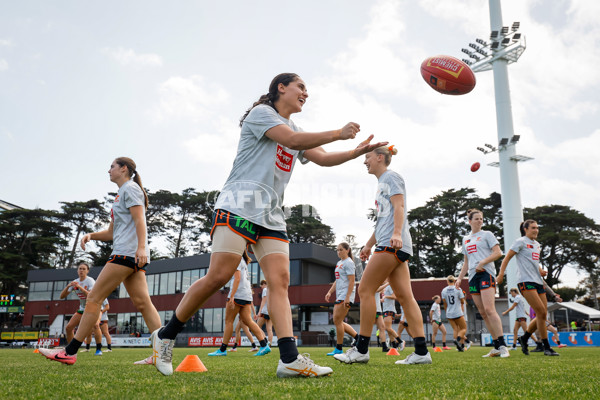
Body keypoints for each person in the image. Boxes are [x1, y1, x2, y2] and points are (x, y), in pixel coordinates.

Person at [151, 73, 386, 377]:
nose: (306, 93)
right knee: (218, 275)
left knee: (281, 281)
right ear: (281, 88)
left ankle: (288, 358)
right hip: (238, 204)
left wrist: (357, 151)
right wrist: (339, 132)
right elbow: (291, 140)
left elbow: (322, 158)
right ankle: (166, 335)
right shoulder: (262, 114)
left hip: (271, 216)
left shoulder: (295, 128)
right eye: (301, 87)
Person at [39, 157, 164, 372]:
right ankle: (162, 354)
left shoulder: (130, 189)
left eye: (112, 167)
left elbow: (140, 219)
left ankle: (69, 352)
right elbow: (111, 233)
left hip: (126, 255)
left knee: (94, 298)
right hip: (131, 256)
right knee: (143, 303)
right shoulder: (121, 194)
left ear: (124, 169)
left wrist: (142, 247)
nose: (108, 171)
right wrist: (91, 236)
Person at [334, 145, 431, 366]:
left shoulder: (391, 177)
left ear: (380, 158)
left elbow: (400, 206)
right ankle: (422, 352)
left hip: (392, 243)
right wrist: (368, 245)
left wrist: (396, 233)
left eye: (367, 157)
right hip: (394, 244)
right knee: (406, 297)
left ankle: (361, 349)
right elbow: (382, 221)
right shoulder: (381, 184)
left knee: (365, 290)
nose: (364, 161)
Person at [498, 219, 559, 356]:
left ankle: (524, 338)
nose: (536, 230)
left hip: (538, 281)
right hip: (525, 281)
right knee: (541, 312)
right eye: (533, 228)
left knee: (542, 314)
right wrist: (501, 274)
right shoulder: (520, 242)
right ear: (525, 229)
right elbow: (506, 258)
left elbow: (533, 262)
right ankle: (546, 347)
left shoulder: (537, 245)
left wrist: (540, 270)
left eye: (537, 227)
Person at [456, 208, 508, 358]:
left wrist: (483, 262)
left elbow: (498, 253)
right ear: (469, 221)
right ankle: (496, 346)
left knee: (489, 309)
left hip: (486, 274)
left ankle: (503, 346)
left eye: (481, 218)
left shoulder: (487, 235)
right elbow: (466, 261)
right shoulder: (466, 239)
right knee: (483, 313)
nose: (480, 221)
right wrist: (460, 277)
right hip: (473, 277)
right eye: (476, 218)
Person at [209, 252, 270, 357]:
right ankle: (264, 345)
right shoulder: (242, 261)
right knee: (248, 321)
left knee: (228, 321)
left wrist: (232, 296)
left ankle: (222, 349)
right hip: (246, 295)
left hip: (238, 295)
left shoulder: (236, 260)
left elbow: (237, 278)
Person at [325, 242, 358, 356]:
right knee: (339, 321)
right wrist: (330, 292)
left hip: (345, 295)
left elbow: (352, 281)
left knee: (337, 321)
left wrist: (347, 297)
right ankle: (358, 339)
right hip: (340, 295)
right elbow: (337, 280)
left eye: (341, 250)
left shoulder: (349, 263)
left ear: (347, 250)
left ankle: (339, 348)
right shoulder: (339, 263)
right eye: (337, 250)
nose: (338, 252)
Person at [60, 262, 95, 343]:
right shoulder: (75, 281)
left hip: (92, 308)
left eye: (84, 269)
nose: (81, 271)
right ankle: (70, 350)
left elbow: (90, 295)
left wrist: (79, 287)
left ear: (87, 271)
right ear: (77, 271)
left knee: (95, 327)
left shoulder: (90, 281)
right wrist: (68, 286)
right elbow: (62, 297)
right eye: (80, 269)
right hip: (82, 308)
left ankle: (99, 349)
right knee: (68, 328)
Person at [441, 276, 469, 351]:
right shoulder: (458, 289)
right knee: (463, 328)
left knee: (455, 329)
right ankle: (458, 339)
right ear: (454, 281)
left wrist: (447, 310)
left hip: (449, 313)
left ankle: (456, 342)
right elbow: (462, 301)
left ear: (447, 281)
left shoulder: (444, 290)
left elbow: (444, 303)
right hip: (457, 312)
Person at [381, 284, 405, 351]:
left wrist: (385, 296)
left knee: (387, 328)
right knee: (388, 330)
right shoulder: (384, 288)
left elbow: (394, 296)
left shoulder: (389, 286)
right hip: (385, 309)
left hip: (389, 309)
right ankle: (394, 346)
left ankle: (400, 341)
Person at [255, 280, 274, 349]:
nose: (261, 288)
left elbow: (263, 301)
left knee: (257, 326)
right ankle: (269, 344)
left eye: (261, 286)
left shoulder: (265, 289)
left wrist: (259, 312)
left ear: (263, 284)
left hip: (265, 311)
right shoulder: (271, 290)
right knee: (269, 329)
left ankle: (265, 340)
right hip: (271, 312)